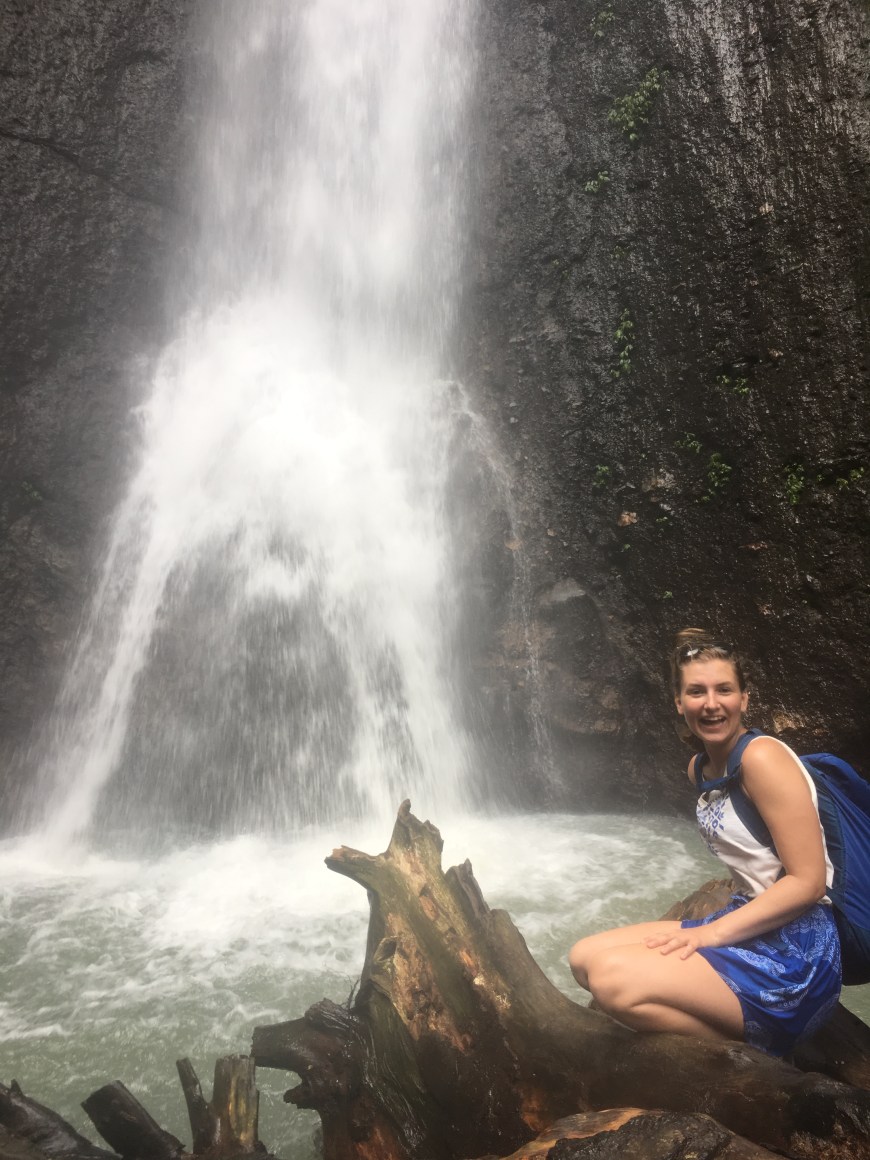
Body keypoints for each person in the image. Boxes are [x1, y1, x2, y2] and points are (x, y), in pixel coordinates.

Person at [568, 630, 842, 1057]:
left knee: (611, 981)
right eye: (696, 691)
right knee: (583, 957)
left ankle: (756, 1057)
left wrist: (711, 934)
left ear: (744, 698)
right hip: (748, 923)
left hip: (796, 953)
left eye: (724, 690)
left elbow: (809, 882)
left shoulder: (762, 758)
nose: (711, 704)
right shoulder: (700, 768)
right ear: (679, 702)